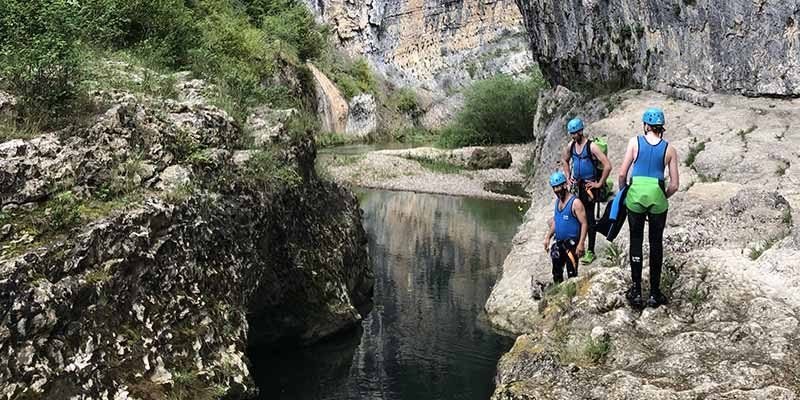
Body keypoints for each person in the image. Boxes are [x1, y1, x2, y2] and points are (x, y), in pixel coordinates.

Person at [617, 108, 680, 308]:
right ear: (661, 127)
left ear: (646, 125)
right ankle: (654, 293)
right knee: (656, 244)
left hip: (635, 198)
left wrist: (624, 194)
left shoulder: (635, 142)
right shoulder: (670, 149)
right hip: (657, 199)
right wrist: (662, 197)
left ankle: (636, 290)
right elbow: (674, 185)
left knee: (636, 241)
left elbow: (621, 174)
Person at [561, 118, 612, 264]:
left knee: (589, 219)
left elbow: (607, 165)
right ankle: (578, 246)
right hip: (577, 185)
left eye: (575, 133)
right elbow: (565, 160)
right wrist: (568, 176)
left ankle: (590, 250)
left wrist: (599, 183)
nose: (573, 136)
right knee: (577, 216)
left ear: (581, 131)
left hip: (589, 188)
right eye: (572, 133)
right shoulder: (571, 145)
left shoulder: (592, 147)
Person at [544, 171, 588, 284]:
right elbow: (556, 221)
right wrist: (548, 237)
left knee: (572, 274)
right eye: (554, 188)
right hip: (559, 243)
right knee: (556, 273)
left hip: (572, 245)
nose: (556, 190)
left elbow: (584, 223)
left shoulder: (575, 203)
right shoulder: (557, 202)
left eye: (558, 187)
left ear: (564, 185)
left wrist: (581, 243)